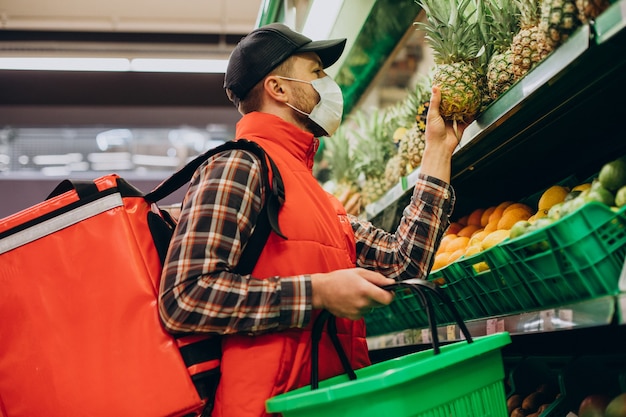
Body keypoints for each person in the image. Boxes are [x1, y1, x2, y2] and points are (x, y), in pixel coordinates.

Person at [158, 22, 465, 417]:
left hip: (326, 403)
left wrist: (437, 152)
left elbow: (402, 263)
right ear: (278, 88)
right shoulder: (240, 166)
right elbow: (185, 296)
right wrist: (318, 292)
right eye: (317, 71)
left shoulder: (313, 194)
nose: (327, 83)